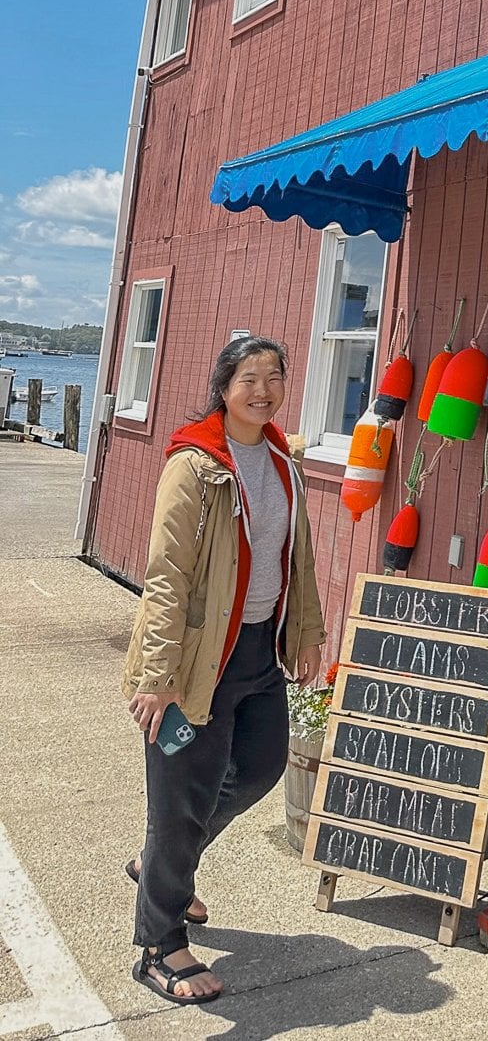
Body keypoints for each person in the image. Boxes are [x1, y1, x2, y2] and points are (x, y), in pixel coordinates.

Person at [120, 336, 326, 1005]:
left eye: (273, 376)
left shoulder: (282, 462)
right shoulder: (195, 465)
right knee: (181, 797)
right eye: (248, 377)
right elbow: (165, 576)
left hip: (261, 652)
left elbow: (300, 560)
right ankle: (159, 944)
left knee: (262, 767)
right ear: (223, 386)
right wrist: (159, 674)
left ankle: (160, 865)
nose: (262, 389)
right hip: (194, 663)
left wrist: (307, 634)